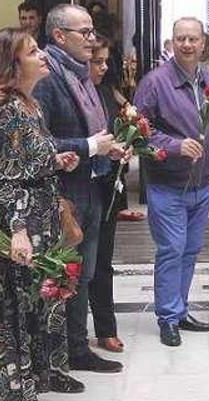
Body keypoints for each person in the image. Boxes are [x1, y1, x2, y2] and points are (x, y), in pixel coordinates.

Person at [0, 27, 78, 401]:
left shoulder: (29, 106)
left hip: (41, 220)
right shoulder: (7, 111)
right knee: (17, 312)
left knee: (36, 308)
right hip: (20, 226)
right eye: (33, 51)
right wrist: (18, 231)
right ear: (12, 65)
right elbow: (4, 178)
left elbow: (28, 161)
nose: (43, 56)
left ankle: (29, 395)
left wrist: (57, 160)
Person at [33, 4, 126, 387]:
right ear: (59, 36)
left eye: (91, 32)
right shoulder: (47, 77)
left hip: (90, 186)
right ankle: (54, 358)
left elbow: (94, 133)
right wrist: (91, 146)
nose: (91, 38)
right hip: (63, 193)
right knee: (60, 278)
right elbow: (39, 142)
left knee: (82, 276)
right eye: (83, 32)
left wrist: (109, 148)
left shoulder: (80, 75)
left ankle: (76, 348)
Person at [133, 17, 209, 347]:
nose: (187, 44)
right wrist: (174, 146)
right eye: (180, 39)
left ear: (204, 44)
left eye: (193, 39)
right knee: (171, 250)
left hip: (202, 187)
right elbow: (138, 134)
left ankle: (181, 310)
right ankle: (168, 318)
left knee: (190, 250)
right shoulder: (154, 83)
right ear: (172, 43)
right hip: (167, 186)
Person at [87, 36, 130, 354]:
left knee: (103, 261)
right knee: (81, 264)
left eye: (105, 61)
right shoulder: (69, 91)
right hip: (79, 186)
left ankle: (105, 328)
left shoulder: (105, 92)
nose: (102, 67)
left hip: (106, 184)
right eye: (96, 61)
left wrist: (124, 146)